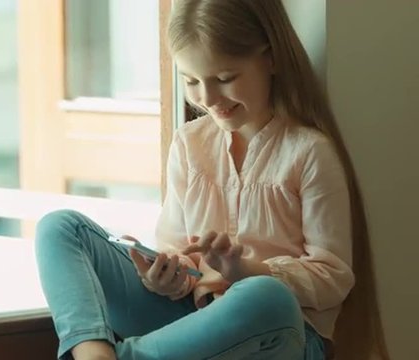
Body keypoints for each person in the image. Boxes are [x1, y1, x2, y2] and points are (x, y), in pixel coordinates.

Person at [35, 0, 389, 359]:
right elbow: (177, 251)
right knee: (60, 228)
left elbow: (333, 278)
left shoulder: (308, 152)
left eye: (224, 79)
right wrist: (164, 275)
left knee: (266, 296)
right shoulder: (190, 144)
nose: (207, 98)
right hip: (192, 321)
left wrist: (246, 271)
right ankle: (91, 351)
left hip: (278, 331)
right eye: (191, 81)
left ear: (271, 58)